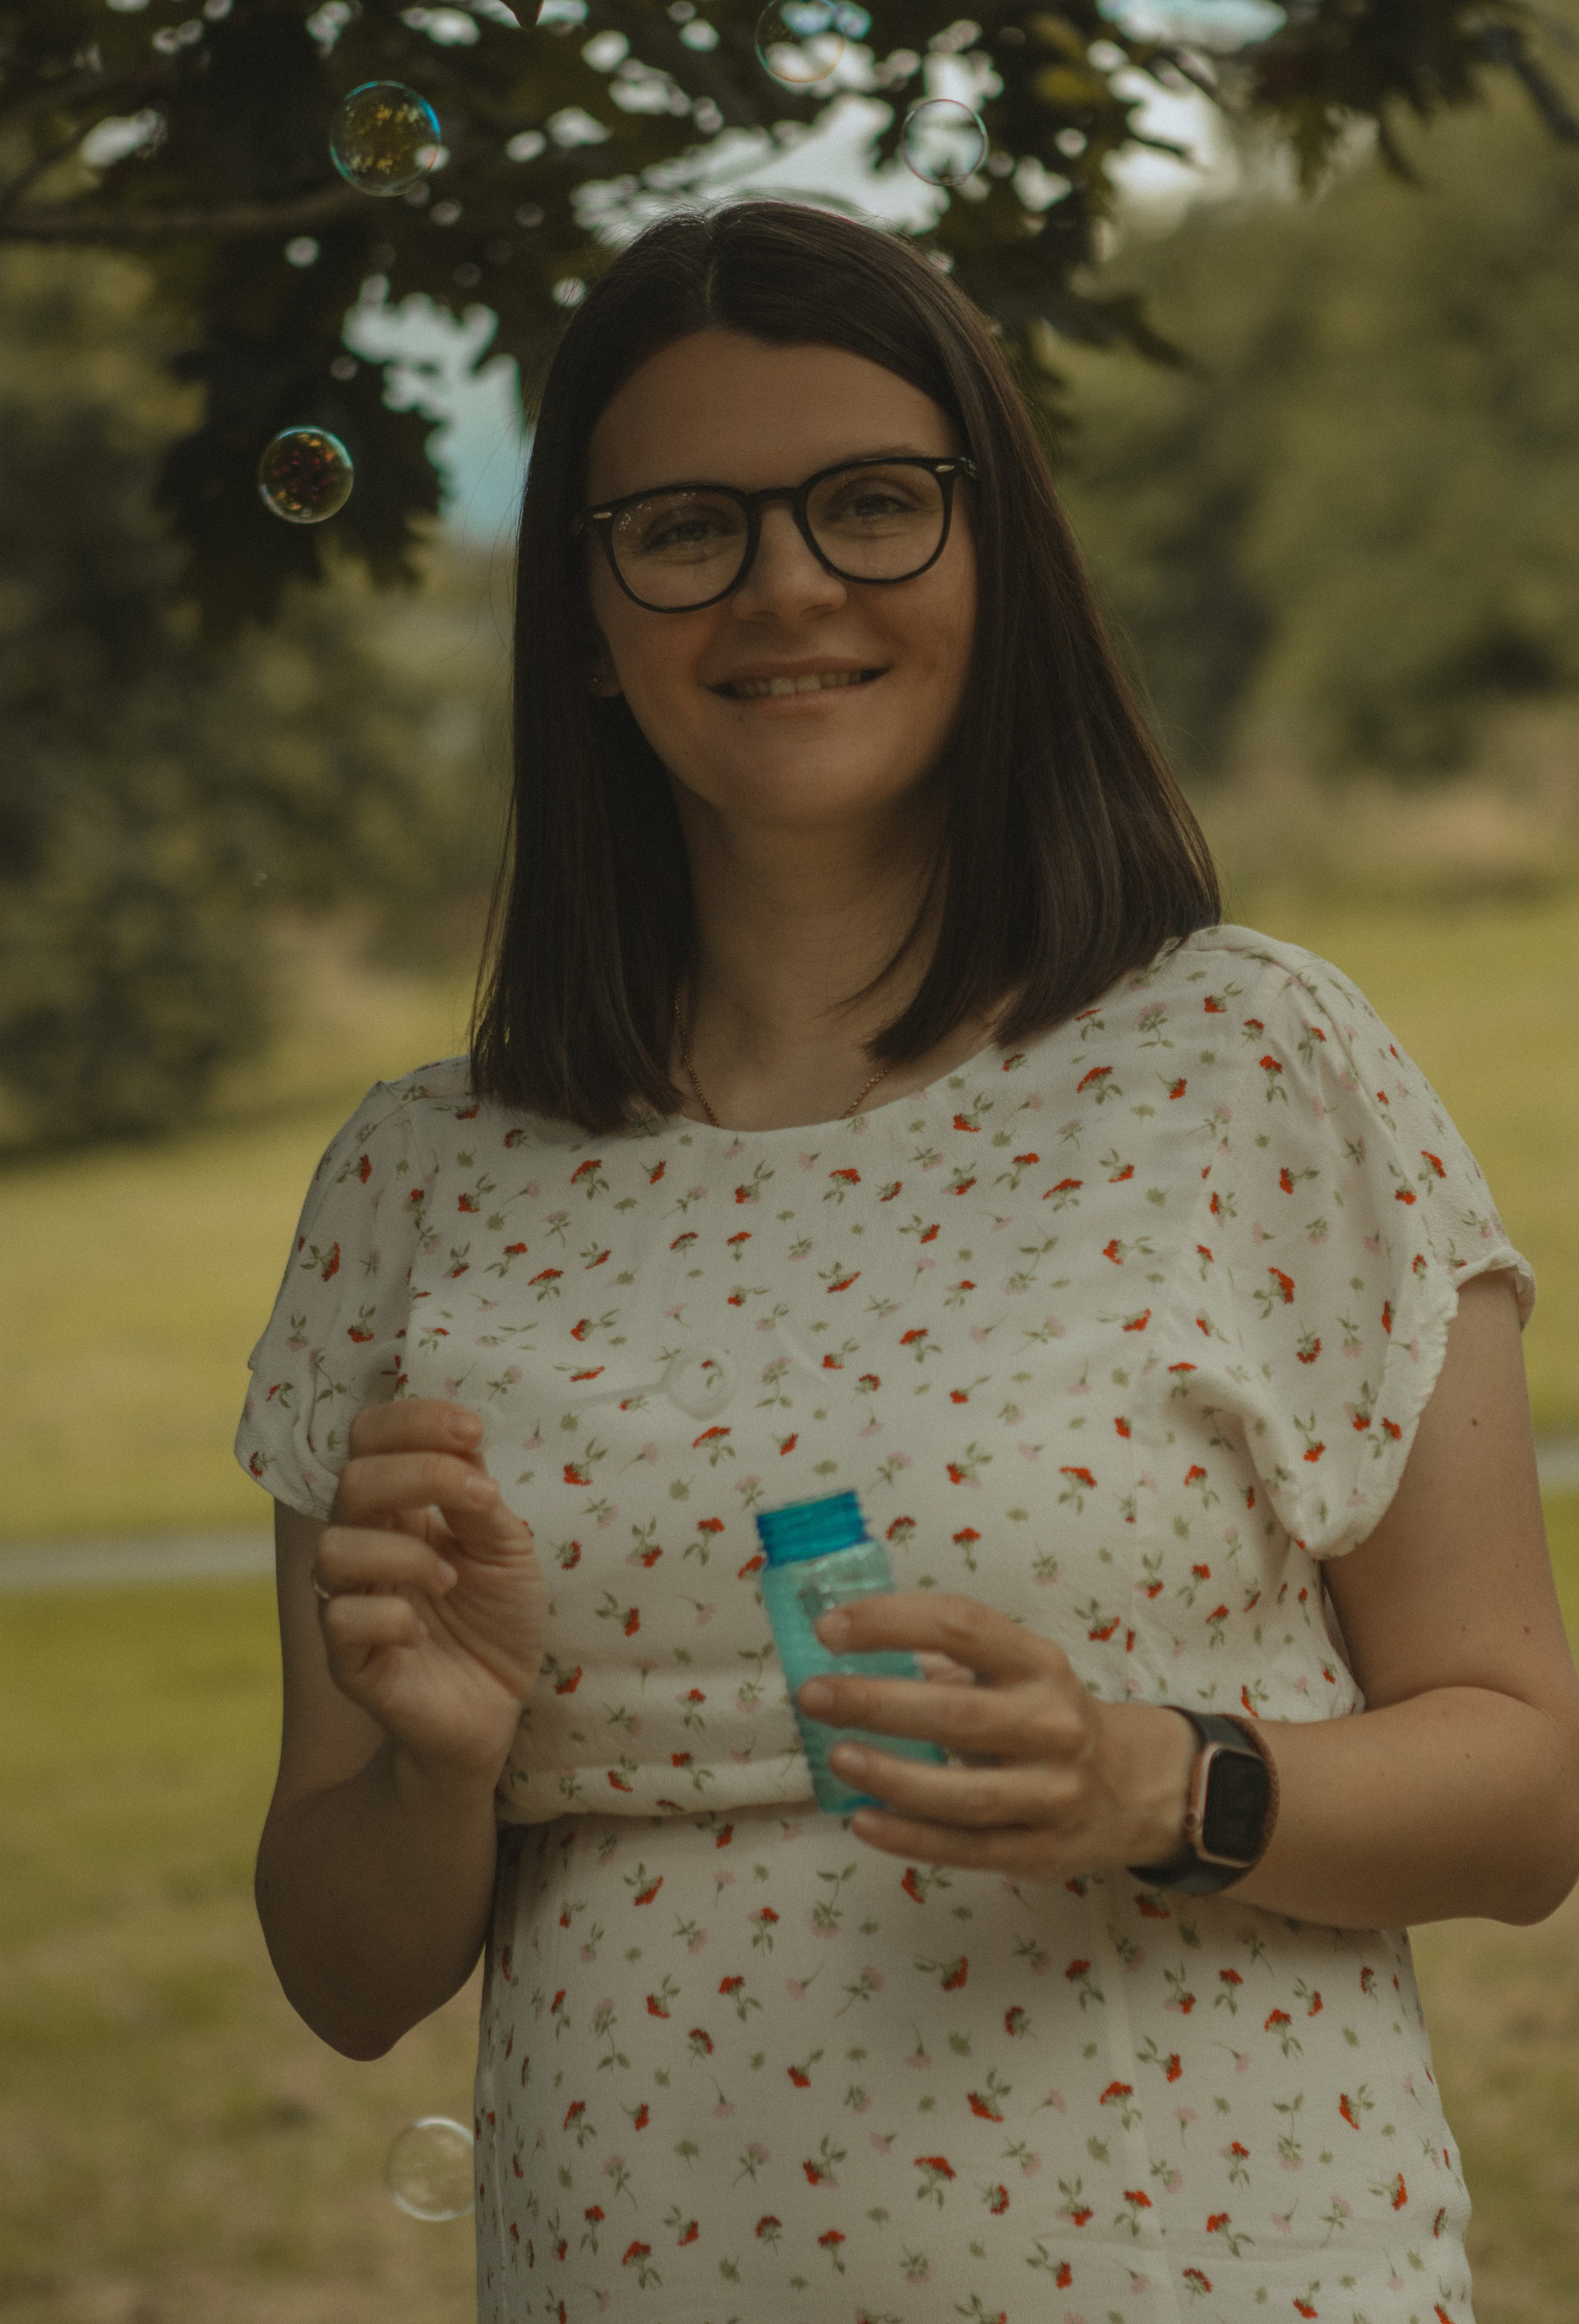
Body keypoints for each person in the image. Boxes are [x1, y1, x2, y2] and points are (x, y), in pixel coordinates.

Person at [238, 201, 1579, 2324]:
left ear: (992, 555)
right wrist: (439, 1765)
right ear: (584, 616)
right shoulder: (422, 1185)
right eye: (686, 528)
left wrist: (1158, 1778)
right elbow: (341, 1969)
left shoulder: (1249, 1065)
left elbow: (1527, 1785)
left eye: (871, 503)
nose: (786, 585)